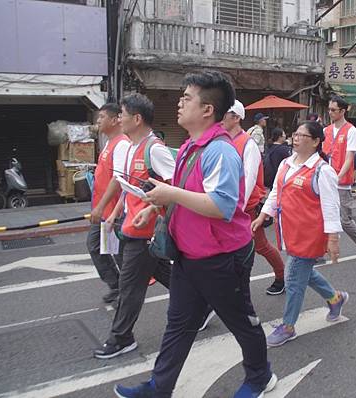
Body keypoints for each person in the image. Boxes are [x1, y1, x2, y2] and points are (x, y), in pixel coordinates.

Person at [114, 71, 276, 398]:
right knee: (178, 326)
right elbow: (184, 190)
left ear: (207, 110)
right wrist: (157, 206)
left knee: (242, 322)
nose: (179, 103)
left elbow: (222, 206)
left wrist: (170, 196)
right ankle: (159, 388)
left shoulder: (221, 151)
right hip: (188, 256)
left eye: (186, 97)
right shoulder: (191, 145)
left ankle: (260, 377)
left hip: (221, 260)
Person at [93, 94, 175, 360]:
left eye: (123, 114)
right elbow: (128, 189)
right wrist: (115, 214)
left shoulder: (155, 149)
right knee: (167, 274)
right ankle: (204, 305)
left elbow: (178, 187)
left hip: (146, 231)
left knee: (129, 288)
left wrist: (152, 208)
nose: (119, 119)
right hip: (130, 226)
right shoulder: (130, 148)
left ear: (137, 119)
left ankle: (121, 338)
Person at [252, 121, 348, 347]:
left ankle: (288, 326)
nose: (295, 138)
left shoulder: (322, 171)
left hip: (310, 234)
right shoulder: (286, 163)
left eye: (302, 135)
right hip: (289, 230)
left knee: (293, 277)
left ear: (315, 142)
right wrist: (263, 214)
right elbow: (276, 193)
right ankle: (336, 298)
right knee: (305, 273)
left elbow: (331, 206)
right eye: (295, 134)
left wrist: (333, 238)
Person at [222, 100, 286, 295]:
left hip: (245, 207)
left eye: (224, 114)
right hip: (227, 205)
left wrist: (239, 205)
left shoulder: (247, 143)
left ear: (236, 118)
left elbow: (249, 179)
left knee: (261, 246)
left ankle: (281, 276)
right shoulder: (223, 140)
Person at [86, 103, 130, 305]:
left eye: (101, 117)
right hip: (104, 210)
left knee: (115, 252)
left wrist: (101, 207)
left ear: (114, 120)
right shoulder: (109, 142)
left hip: (113, 212)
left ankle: (126, 290)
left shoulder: (121, 144)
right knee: (99, 247)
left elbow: (118, 179)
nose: (98, 121)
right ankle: (117, 286)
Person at [323, 95, 356, 259]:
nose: (330, 112)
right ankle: (320, 249)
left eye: (333, 110)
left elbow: (349, 158)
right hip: (326, 181)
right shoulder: (326, 131)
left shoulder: (350, 130)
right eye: (329, 109)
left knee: (345, 220)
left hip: (341, 183)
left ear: (342, 111)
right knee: (322, 216)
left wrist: (338, 177)